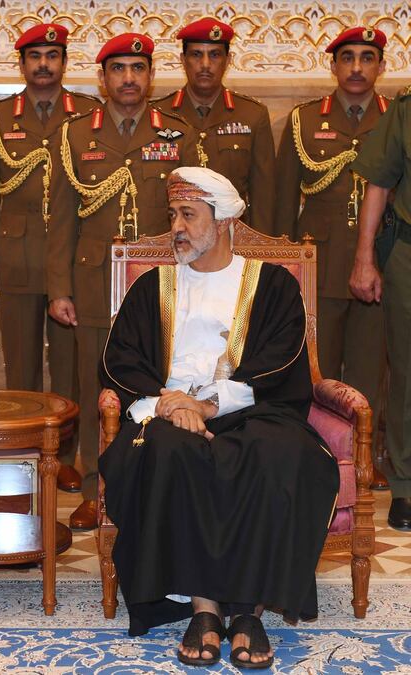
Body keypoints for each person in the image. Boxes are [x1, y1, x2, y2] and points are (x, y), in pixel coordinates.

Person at [99, 167, 339, 668]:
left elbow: (278, 361)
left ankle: (247, 610)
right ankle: (205, 608)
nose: (177, 227)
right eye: (173, 216)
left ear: (224, 219)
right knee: (168, 451)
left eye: (189, 215)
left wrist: (209, 405)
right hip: (167, 412)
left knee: (277, 455)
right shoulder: (153, 286)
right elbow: (121, 359)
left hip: (251, 408)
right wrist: (168, 403)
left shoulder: (270, 284)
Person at [47, 33, 198, 530]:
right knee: (96, 389)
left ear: (151, 76)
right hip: (93, 281)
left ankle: (149, 483)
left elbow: (196, 216)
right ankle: (96, 487)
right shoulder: (73, 135)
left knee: (157, 382)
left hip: (161, 281)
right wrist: (59, 289)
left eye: (138, 68)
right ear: (103, 77)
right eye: (119, 69)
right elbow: (62, 220)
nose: (129, 78)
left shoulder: (177, 134)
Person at [0, 23, 97, 494]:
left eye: (53, 55)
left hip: (74, 263)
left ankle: (63, 458)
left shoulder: (88, 113)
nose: (44, 64)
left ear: (64, 62)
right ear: (22, 64)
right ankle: (24, 452)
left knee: (69, 366)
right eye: (35, 56)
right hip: (17, 255)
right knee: (21, 365)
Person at [276, 27, 389, 478]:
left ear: (381, 66)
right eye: (348, 58)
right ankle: (317, 454)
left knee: (370, 369)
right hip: (316, 265)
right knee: (314, 371)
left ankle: (366, 459)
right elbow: (283, 203)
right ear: (334, 65)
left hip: (378, 264)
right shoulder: (305, 119)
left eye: (367, 58)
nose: (357, 67)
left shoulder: (395, 118)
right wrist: (279, 271)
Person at [349, 81, 411, 531]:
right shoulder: (406, 111)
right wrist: (365, 256)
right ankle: (407, 484)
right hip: (409, 253)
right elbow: (378, 184)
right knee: (408, 372)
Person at [151, 18, 275, 234]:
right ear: (183, 59)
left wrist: (261, 249)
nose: (206, 64)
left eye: (215, 55)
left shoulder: (253, 115)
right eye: (196, 54)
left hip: (232, 238)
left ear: (228, 60)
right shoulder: (158, 115)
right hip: (173, 237)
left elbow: (264, 196)